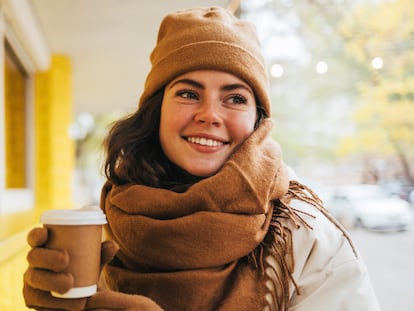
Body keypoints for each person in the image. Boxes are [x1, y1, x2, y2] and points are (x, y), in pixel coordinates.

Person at [23, 6, 380, 311]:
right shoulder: (106, 225)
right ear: (156, 111)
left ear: (258, 120)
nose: (210, 114)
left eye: (235, 98)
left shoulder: (304, 236)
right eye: (189, 93)